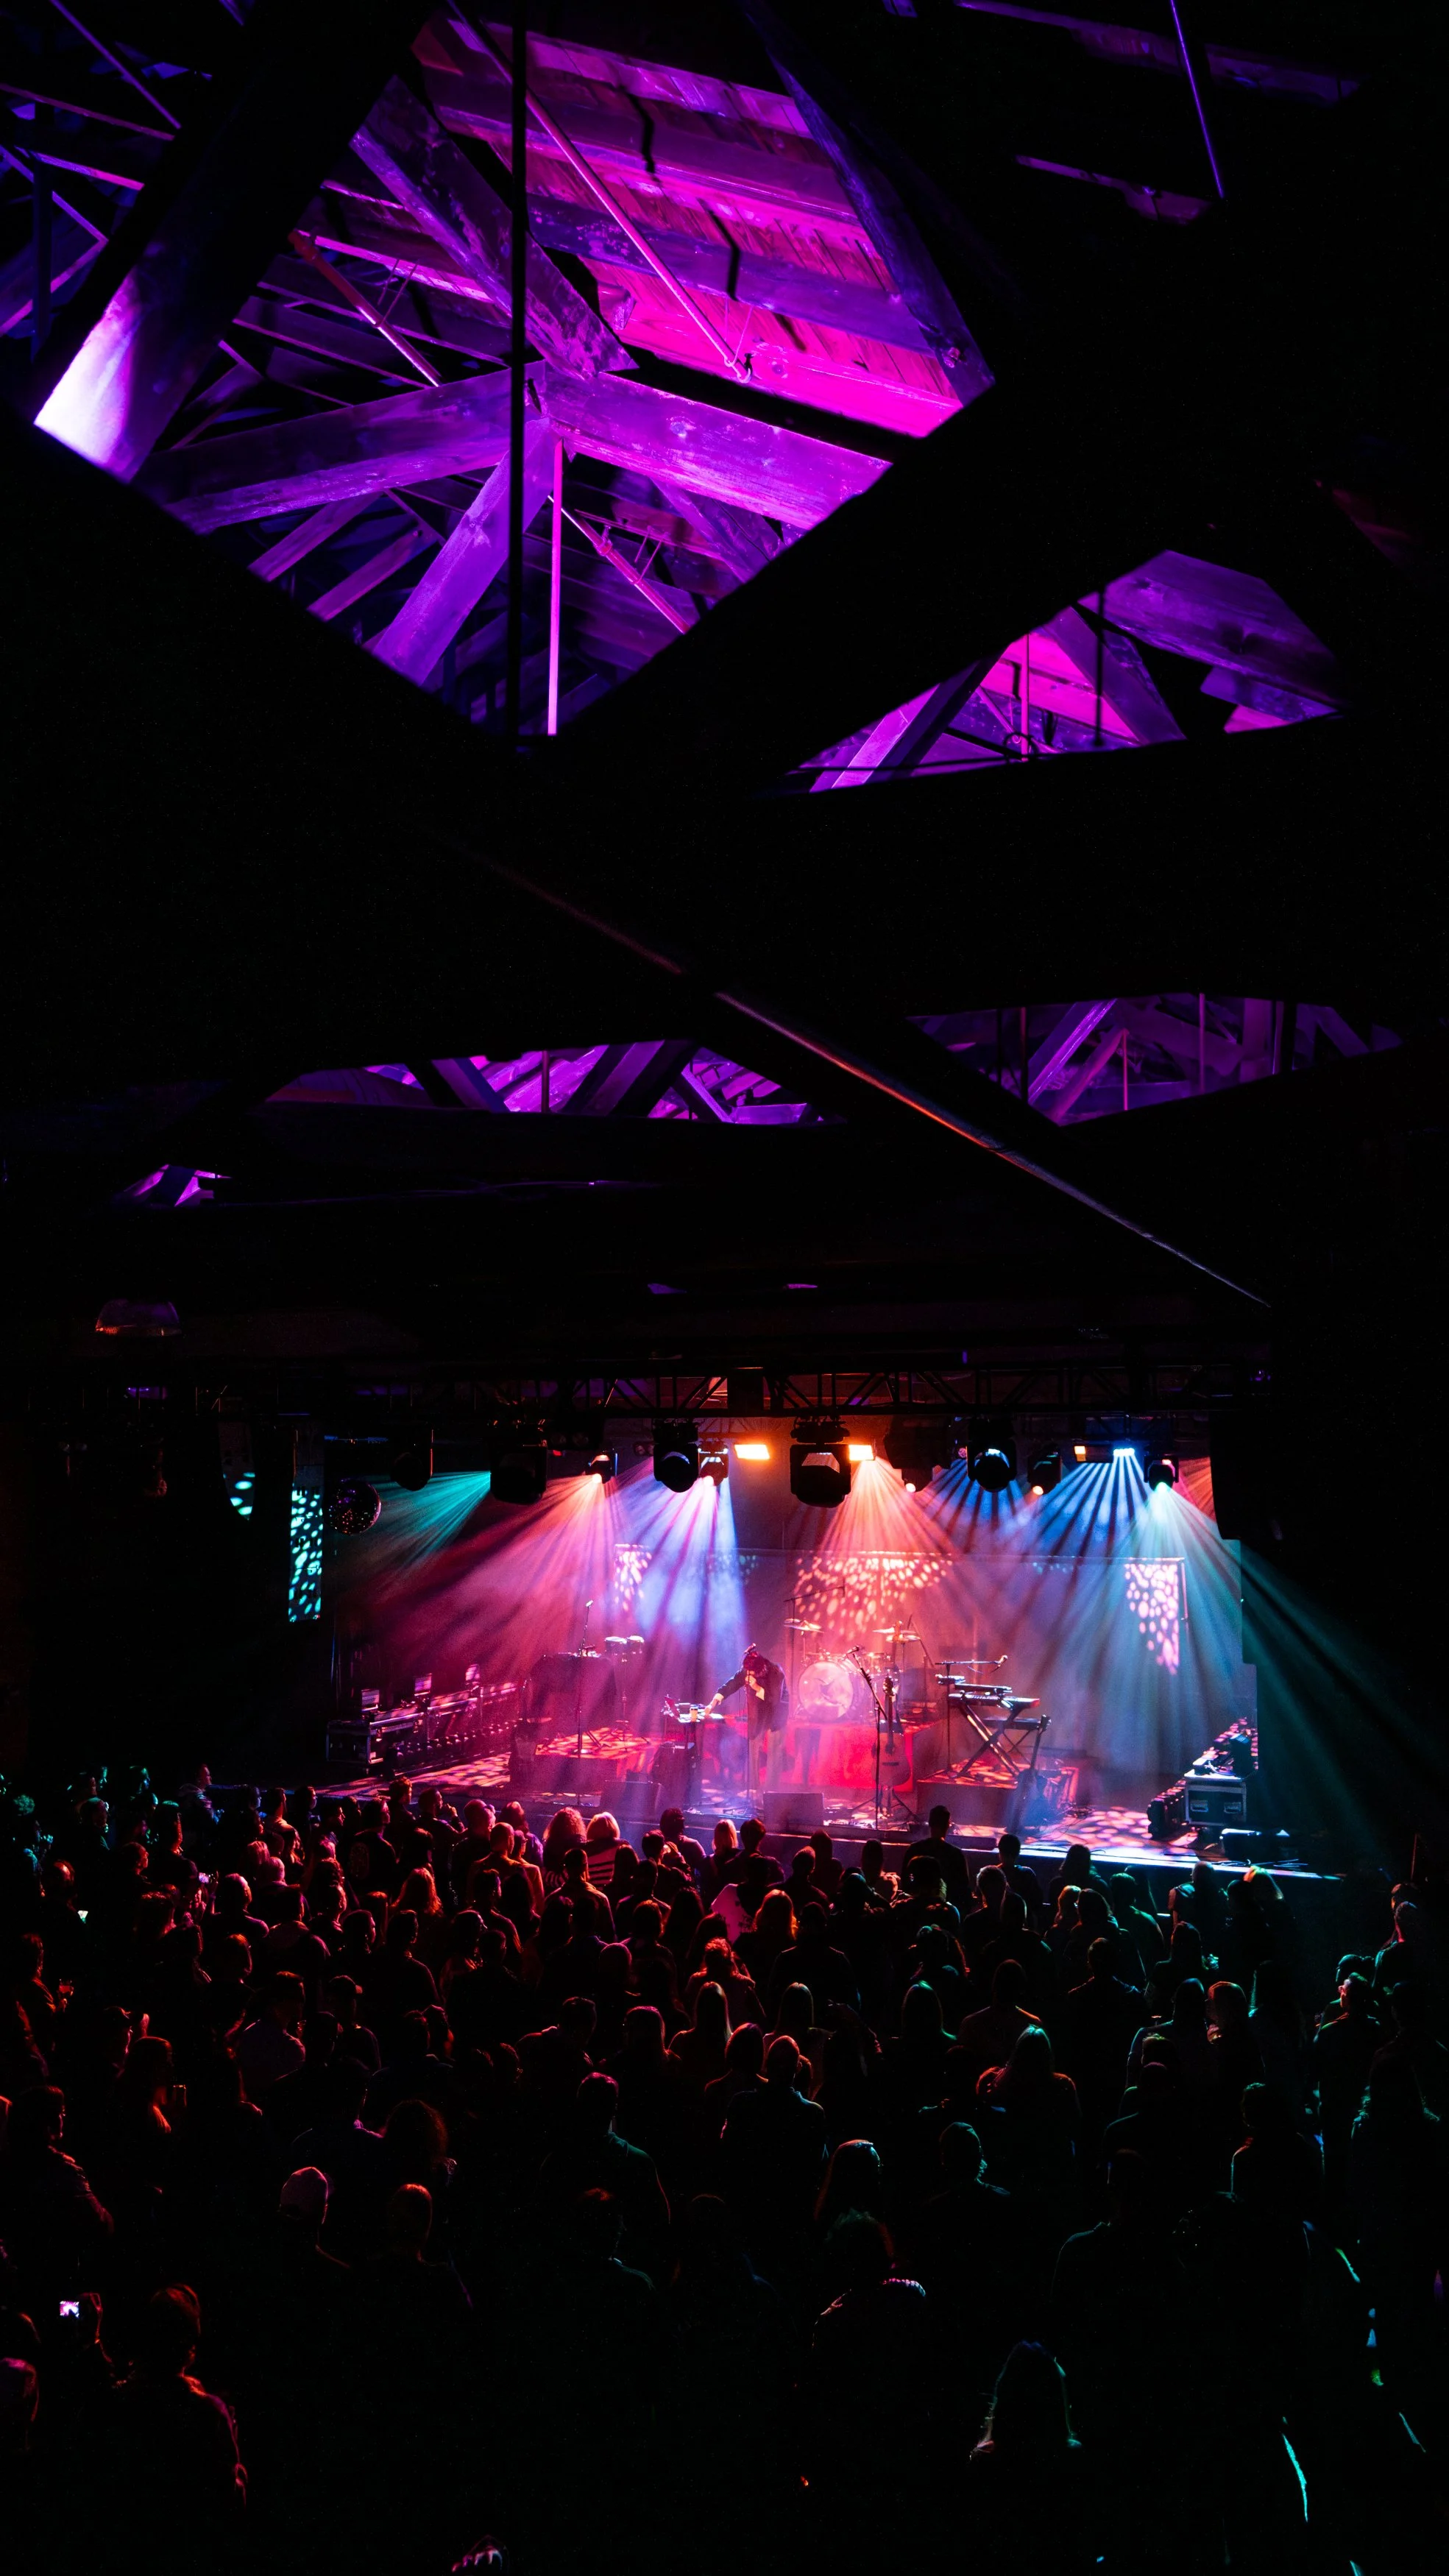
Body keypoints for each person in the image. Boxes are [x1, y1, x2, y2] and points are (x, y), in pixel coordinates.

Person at [708, 1646, 788, 1798]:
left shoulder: (776, 1673)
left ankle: (770, 1793)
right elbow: (731, 1685)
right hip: (759, 1713)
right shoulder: (748, 1669)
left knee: (774, 1752)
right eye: (747, 1673)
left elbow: (774, 1700)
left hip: (776, 1713)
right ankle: (753, 1790)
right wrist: (713, 1702)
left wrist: (756, 1687)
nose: (748, 1676)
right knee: (753, 1747)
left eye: (752, 1674)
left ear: (761, 1671)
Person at [907, 1805, 972, 1912]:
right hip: (945, 1912)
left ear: (930, 1824)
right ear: (948, 1826)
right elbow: (964, 1888)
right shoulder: (956, 1854)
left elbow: (906, 1883)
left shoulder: (913, 1849)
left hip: (915, 1911)